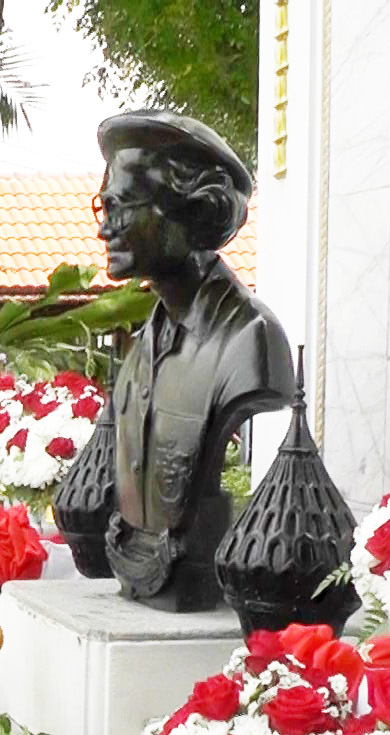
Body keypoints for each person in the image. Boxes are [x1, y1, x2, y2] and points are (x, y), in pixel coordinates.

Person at [91, 110, 293, 611]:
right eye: (103, 206)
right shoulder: (142, 349)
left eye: (122, 207)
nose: (104, 229)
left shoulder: (250, 340)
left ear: (191, 211)